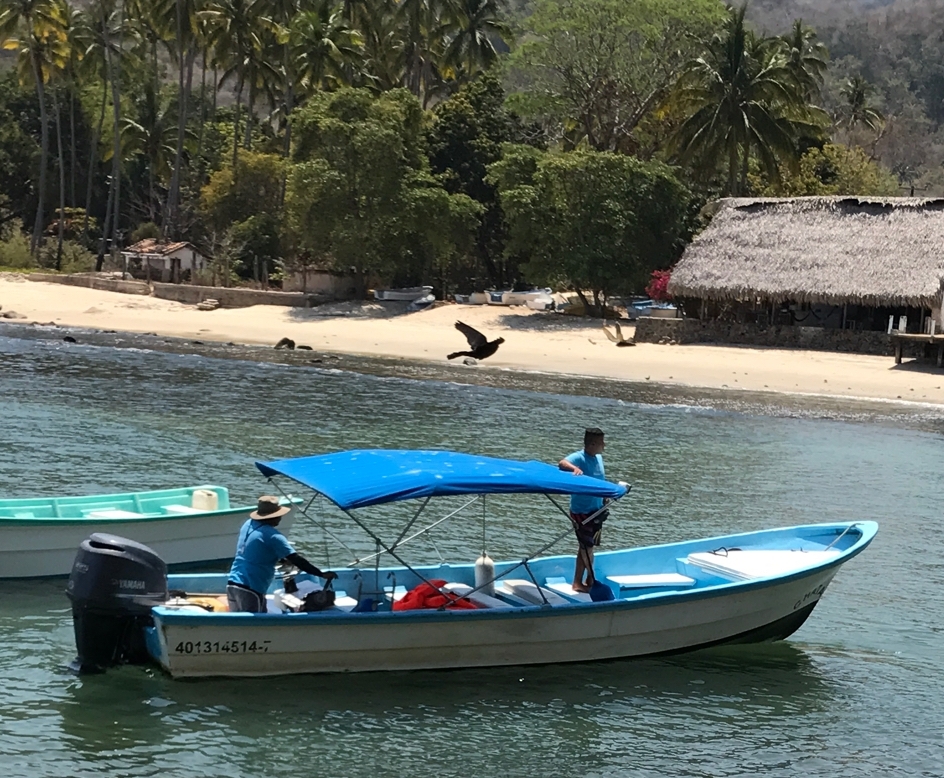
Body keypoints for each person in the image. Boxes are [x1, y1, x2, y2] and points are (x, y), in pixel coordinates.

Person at [226, 495, 337, 613]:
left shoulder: (248, 524)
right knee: (256, 628)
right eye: (279, 515)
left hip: (233, 583)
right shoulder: (273, 536)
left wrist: (282, 560)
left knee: (242, 625)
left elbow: (257, 551)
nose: (280, 518)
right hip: (250, 588)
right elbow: (297, 560)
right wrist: (321, 574)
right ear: (273, 517)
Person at [559, 428, 608, 593]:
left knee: (587, 547)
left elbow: (600, 480)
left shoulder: (599, 458)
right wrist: (573, 469)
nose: (604, 446)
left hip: (597, 510)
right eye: (602, 443)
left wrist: (604, 498)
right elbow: (562, 463)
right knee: (586, 548)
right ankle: (585, 580)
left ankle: (583, 580)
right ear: (593, 444)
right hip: (582, 511)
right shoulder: (579, 457)